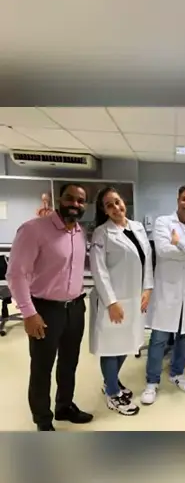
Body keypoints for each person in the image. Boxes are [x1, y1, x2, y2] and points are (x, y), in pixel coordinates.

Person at [6, 183, 93, 431]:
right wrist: (28, 313)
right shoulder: (34, 229)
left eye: (80, 200)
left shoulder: (79, 232)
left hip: (75, 307)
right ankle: (43, 419)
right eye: (70, 198)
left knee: (69, 362)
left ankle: (64, 406)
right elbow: (16, 274)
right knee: (42, 366)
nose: (75, 204)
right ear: (59, 200)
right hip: (45, 310)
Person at [141, 185, 185, 405]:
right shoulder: (163, 222)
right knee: (159, 339)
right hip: (167, 291)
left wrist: (179, 243)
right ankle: (152, 382)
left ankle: (177, 373)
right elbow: (163, 251)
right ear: (178, 199)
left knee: (184, 337)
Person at [89, 187, 154, 416]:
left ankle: (111, 381)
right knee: (110, 347)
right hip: (113, 301)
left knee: (127, 343)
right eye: (110, 205)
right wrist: (111, 302)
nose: (116, 208)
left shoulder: (137, 227)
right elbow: (99, 270)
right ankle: (112, 393)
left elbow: (147, 259)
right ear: (104, 210)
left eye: (117, 202)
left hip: (135, 298)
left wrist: (148, 288)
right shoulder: (101, 233)